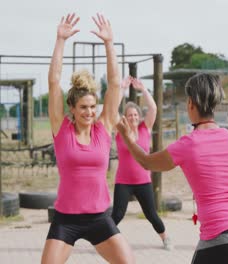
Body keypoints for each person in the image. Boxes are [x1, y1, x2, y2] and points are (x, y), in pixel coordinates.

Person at [116, 73, 228, 264]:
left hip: (219, 235)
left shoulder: (187, 144)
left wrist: (128, 140)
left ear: (190, 104)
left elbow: (147, 162)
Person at [41, 13, 134, 263]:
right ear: (72, 108)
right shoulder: (61, 129)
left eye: (93, 107)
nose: (90, 112)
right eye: (83, 107)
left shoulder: (103, 129)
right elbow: (53, 82)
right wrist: (60, 40)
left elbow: (115, 84)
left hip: (99, 218)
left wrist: (109, 43)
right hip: (65, 219)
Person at [112, 76, 172, 250]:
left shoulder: (145, 128)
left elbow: (153, 108)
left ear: (139, 116)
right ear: (125, 117)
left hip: (143, 181)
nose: (133, 117)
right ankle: (105, 241)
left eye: (135, 114)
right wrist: (121, 90)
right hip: (123, 181)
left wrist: (143, 90)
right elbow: (112, 109)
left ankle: (165, 238)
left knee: (152, 214)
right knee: (117, 215)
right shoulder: (120, 131)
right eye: (129, 115)